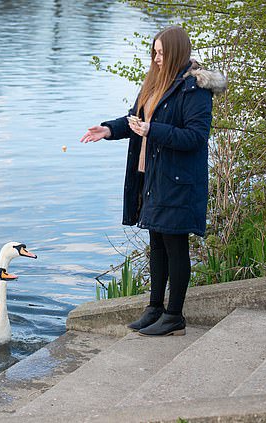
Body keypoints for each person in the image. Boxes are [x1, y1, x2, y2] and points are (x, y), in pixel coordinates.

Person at [80, 26, 227, 336]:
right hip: (151, 175)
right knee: (156, 245)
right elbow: (136, 119)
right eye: (154, 53)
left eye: (161, 53)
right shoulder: (155, 82)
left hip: (177, 180)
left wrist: (152, 131)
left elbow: (196, 138)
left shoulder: (195, 89)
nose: (157, 59)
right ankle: (155, 308)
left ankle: (175, 316)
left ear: (175, 53)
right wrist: (109, 130)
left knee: (175, 246)